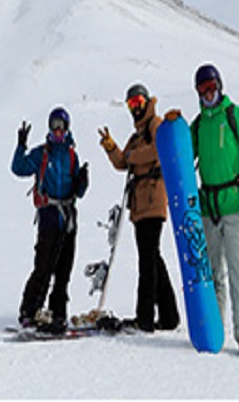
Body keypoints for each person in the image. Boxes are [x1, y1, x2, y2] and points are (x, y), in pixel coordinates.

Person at [188, 63, 239, 358]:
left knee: (238, 272)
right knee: (211, 275)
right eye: (202, 89)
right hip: (208, 208)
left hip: (234, 208)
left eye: (211, 87)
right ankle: (214, 331)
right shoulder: (199, 124)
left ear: (219, 85)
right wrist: (175, 127)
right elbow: (184, 152)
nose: (208, 93)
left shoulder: (236, 117)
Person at [98, 84, 180, 332]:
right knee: (153, 257)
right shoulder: (136, 135)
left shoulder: (156, 125)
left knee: (147, 259)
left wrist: (131, 157)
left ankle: (144, 318)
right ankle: (169, 316)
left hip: (153, 200)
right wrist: (112, 148)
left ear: (147, 102)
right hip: (140, 204)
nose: (135, 108)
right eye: (131, 104)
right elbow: (123, 162)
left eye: (138, 102)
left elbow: (157, 150)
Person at [11, 106, 89, 333]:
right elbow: (18, 168)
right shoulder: (42, 153)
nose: (57, 131)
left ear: (67, 128)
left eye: (61, 126)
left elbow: (79, 192)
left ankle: (58, 313)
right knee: (44, 265)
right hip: (48, 215)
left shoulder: (72, 155)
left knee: (64, 269)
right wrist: (20, 146)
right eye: (54, 126)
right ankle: (29, 310)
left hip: (69, 217)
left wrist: (82, 182)